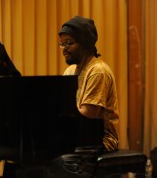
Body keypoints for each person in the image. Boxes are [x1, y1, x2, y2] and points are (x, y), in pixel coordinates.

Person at [49, 16, 120, 177]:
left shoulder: (97, 71)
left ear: (85, 44)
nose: (64, 48)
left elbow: (89, 116)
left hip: (101, 141)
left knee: (58, 161)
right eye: (62, 43)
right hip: (77, 137)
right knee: (32, 158)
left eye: (70, 43)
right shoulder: (70, 71)